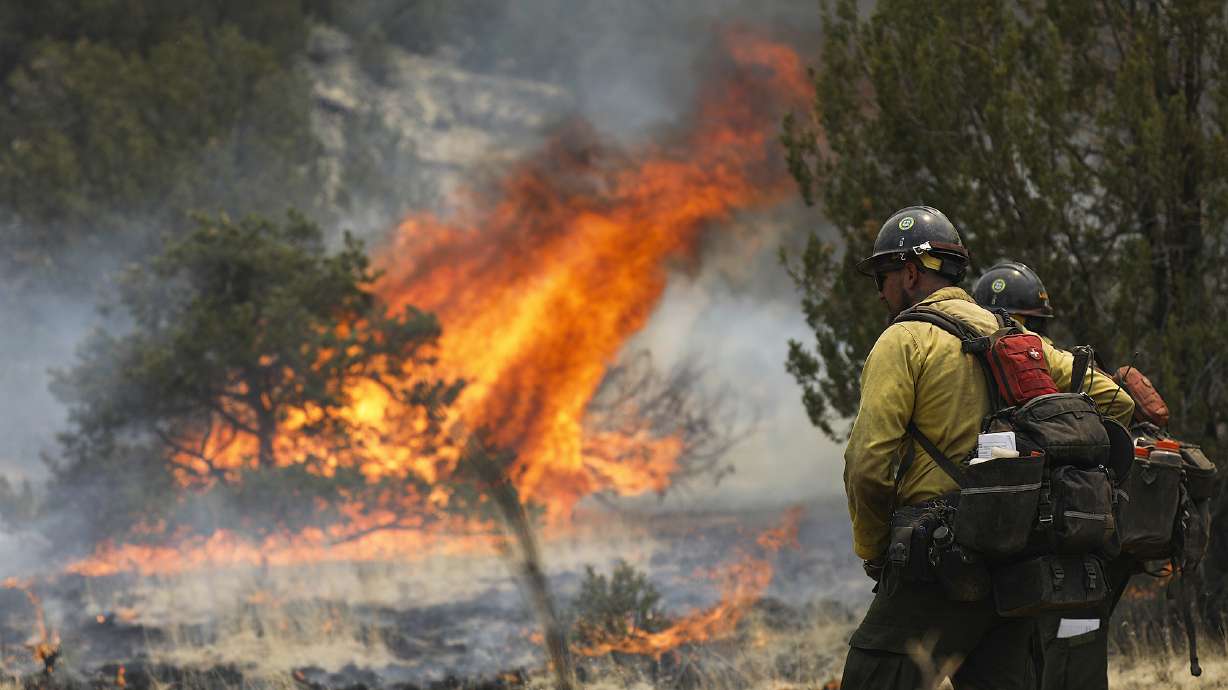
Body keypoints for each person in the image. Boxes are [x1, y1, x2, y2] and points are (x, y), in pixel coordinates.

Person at [841, 207, 1135, 689]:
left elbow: (867, 465)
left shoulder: (904, 340)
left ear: (911, 272)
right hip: (1016, 563)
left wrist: (874, 549)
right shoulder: (1015, 336)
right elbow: (1116, 402)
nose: (880, 291)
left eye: (883, 276)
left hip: (933, 567)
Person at [972, 261, 1140, 690]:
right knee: (1075, 641)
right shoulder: (1057, 362)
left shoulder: (974, 359)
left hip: (1004, 540)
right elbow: (1119, 404)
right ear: (1036, 317)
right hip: (1076, 536)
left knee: (1019, 653)